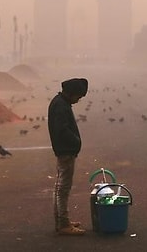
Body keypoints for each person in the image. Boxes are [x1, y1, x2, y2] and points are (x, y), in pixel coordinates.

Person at [48, 77, 88, 235]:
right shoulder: (60, 106)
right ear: (72, 93)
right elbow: (61, 130)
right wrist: (75, 141)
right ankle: (63, 224)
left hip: (65, 150)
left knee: (61, 187)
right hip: (65, 151)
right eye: (78, 96)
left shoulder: (61, 103)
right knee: (62, 188)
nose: (78, 100)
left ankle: (62, 220)